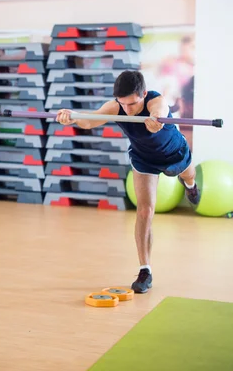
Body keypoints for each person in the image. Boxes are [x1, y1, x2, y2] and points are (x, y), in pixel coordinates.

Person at [55, 70, 201, 294]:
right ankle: (145, 270)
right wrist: (71, 116)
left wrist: (156, 121)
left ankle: (190, 186)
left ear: (143, 93)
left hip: (174, 154)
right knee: (144, 211)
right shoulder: (116, 106)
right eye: (123, 104)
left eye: (132, 104)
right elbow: (89, 121)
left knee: (188, 176)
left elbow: (159, 110)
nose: (127, 109)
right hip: (144, 159)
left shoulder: (155, 101)